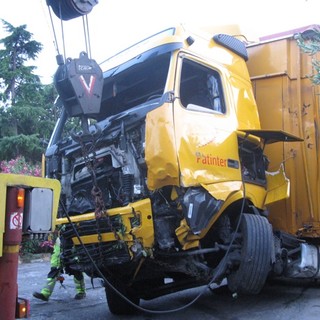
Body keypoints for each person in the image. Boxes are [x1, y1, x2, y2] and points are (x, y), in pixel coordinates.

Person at [33, 236, 86, 301]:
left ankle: (81, 292)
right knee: (53, 272)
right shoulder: (61, 233)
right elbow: (57, 250)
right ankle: (45, 294)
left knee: (76, 271)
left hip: (72, 251)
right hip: (61, 253)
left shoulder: (67, 231)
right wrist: (55, 263)